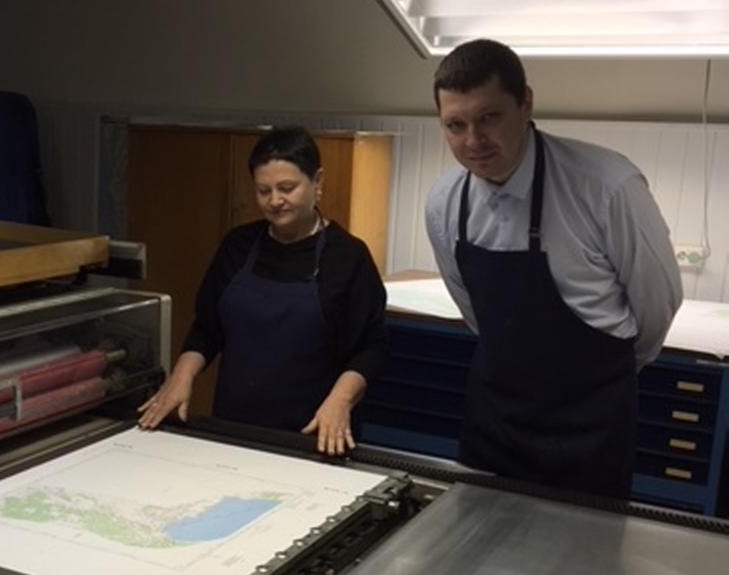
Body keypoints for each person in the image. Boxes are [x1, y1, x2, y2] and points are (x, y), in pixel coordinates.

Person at [425, 39, 682, 498]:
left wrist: (603, 374)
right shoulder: (445, 204)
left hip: (590, 429)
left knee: (588, 544)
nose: (473, 141)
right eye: (455, 126)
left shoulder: (607, 187)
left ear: (525, 103)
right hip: (494, 425)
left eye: (489, 117)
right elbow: (474, 311)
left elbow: (657, 306)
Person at [138, 126, 387, 456]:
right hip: (234, 429)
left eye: (287, 188)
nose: (275, 201)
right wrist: (180, 378)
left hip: (314, 433)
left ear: (317, 181)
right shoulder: (238, 246)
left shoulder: (348, 256)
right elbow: (207, 329)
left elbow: (370, 348)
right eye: (263, 190)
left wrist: (341, 401)